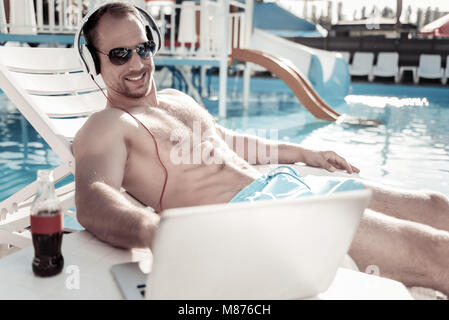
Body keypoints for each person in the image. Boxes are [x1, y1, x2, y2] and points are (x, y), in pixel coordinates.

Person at [73, 2, 449, 296]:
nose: (137, 62)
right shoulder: (107, 126)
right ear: (94, 62)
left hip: (287, 184)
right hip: (258, 218)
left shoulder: (175, 99)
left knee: (436, 206)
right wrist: (153, 230)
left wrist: (302, 154)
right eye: (120, 54)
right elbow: (93, 196)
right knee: (436, 254)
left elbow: (228, 142)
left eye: (143, 48)